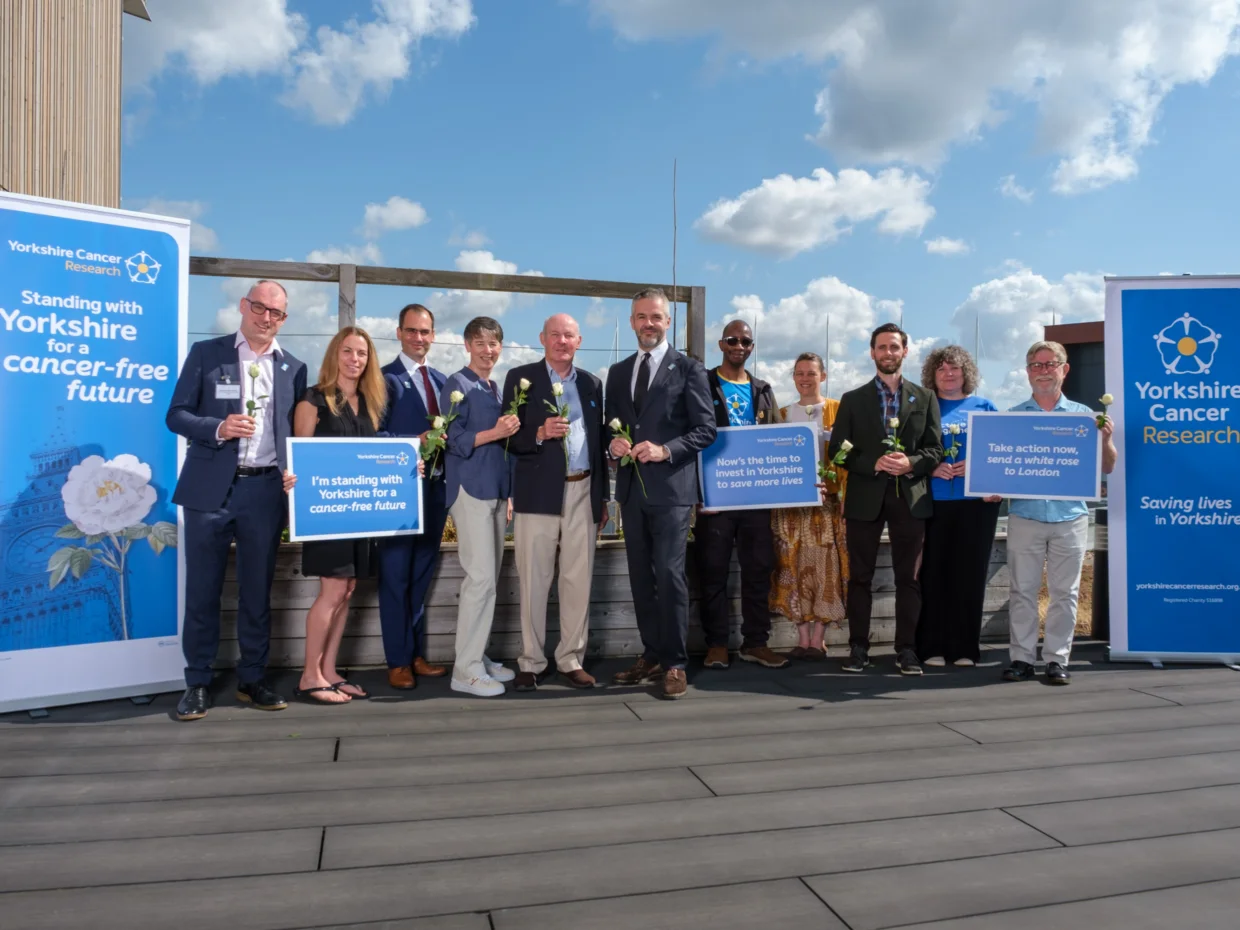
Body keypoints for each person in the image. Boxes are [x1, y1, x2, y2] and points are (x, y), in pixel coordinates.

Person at [166, 280, 305, 721]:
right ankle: (197, 682)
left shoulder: (294, 368)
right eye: (260, 308)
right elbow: (176, 415)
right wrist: (218, 428)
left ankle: (252, 679)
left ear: (284, 319)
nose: (267, 319)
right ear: (244, 307)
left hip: (265, 493)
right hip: (209, 491)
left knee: (257, 592)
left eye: (277, 313)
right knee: (202, 591)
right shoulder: (208, 354)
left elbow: (303, 434)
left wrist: (299, 470)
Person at [605, 288, 717, 699]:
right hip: (631, 492)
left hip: (671, 491)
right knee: (639, 577)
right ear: (631, 321)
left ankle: (675, 663)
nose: (647, 323)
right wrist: (613, 445)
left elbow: (706, 430)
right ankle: (651, 653)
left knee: (670, 577)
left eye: (655, 317)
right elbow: (612, 425)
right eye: (640, 317)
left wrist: (666, 450)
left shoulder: (688, 368)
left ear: (667, 322)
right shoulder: (617, 372)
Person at [292, 327, 402, 704]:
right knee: (333, 589)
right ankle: (310, 675)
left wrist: (404, 470)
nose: (355, 359)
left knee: (348, 589)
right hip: (326, 513)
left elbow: (371, 460)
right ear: (334, 354)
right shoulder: (313, 399)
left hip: (359, 513)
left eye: (362, 353)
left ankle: (330, 671)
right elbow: (299, 457)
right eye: (348, 352)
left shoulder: (369, 403)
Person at [827, 323, 943, 676]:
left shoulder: (925, 398)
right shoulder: (852, 399)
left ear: (905, 351)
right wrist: (871, 462)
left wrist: (912, 462)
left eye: (894, 347)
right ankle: (858, 648)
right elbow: (838, 451)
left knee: (908, 578)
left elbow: (935, 449)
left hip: (910, 498)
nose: (888, 353)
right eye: (882, 347)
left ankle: (906, 650)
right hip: (865, 498)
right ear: (872, 352)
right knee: (859, 578)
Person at [503, 313, 608, 691]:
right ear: (541, 339)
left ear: (579, 341)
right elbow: (508, 438)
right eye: (554, 335)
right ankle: (531, 661)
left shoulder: (593, 384)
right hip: (538, 492)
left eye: (569, 336)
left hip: (584, 489)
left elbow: (597, 444)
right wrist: (539, 433)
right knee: (534, 578)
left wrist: (603, 498)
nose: (561, 341)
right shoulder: (521, 379)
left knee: (578, 579)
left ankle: (570, 659)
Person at [1003, 340, 1117, 686]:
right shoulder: (1010, 419)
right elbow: (1001, 468)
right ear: (1027, 372)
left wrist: (1106, 441)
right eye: (1036, 365)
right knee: (1022, 591)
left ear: (1064, 370)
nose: (1043, 371)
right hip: (1025, 516)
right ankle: (1021, 659)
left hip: (1070, 516)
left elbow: (1107, 469)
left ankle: (1056, 660)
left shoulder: (1086, 418)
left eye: (1050, 364)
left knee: (1065, 594)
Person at [697, 320, 788, 671]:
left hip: (755, 498)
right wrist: (696, 493)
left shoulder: (763, 389)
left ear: (752, 347)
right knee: (712, 572)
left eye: (746, 341)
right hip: (714, 499)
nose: (739, 345)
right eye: (733, 340)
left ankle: (756, 643)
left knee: (758, 571)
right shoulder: (702, 384)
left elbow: (778, 440)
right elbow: (691, 436)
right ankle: (717, 644)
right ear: (721, 344)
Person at [443, 316, 520, 697]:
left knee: (489, 580)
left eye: (494, 344)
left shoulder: (494, 387)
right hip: (469, 489)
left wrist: (509, 494)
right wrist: (496, 432)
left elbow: (506, 452)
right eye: (480, 343)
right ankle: (465, 671)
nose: (488, 350)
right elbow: (452, 439)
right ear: (467, 345)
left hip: (494, 490)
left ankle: (477, 656)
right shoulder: (456, 384)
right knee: (481, 579)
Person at [377, 304, 449, 690]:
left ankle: (415, 654)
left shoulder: (440, 381)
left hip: (435, 489)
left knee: (421, 577)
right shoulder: (383, 379)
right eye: (411, 331)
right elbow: (372, 434)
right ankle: (397, 660)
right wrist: (411, 443)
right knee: (394, 577)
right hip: (398, 493)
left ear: (433, 335)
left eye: (425, 332)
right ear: (399, 333)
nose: (418, 338)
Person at [916, 345, 1001, 668]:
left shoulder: (984, 406)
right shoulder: (923, 406)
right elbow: (911, 451)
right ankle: (931, 646)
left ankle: (965, 647)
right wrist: (931, 466)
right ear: (932, 375)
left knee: (969, 576)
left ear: (966, 373)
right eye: (942, 369)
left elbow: (998, 454)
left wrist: (978, 467)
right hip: (933, 501)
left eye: (955, 369)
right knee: (933, 574)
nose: (949, 374)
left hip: (975, 506)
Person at [771, 352, 848, 659]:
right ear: (793, 378)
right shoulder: (782, 413)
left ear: (823, 377)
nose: (805, 378)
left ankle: (819, 638)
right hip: (790, 509)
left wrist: (837, 489)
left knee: (824, 569)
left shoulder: (838, 410)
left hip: (825, 506)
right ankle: (802, 637)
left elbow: (847, 459)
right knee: (790, 567)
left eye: (811, 373)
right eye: (799, 373)